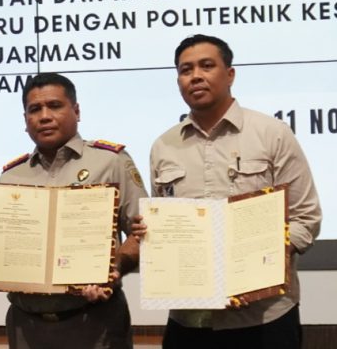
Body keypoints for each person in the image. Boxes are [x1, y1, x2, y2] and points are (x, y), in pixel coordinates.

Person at [132, 34, 321, 349]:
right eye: (185, 69)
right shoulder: (163, 146)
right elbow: (165, 219)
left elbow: (307, 218)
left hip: (264, 318)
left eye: (207, 66)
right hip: (189, 319)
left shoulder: (271, 134)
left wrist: (259, 264)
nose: (195, 76)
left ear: (230, 74)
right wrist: (150, 232)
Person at [0, 73, 148, 349]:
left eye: (55, 106)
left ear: (76, 111)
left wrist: (115, 269)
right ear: (25, 120)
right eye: (34, 109)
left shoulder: (111, 162)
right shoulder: (10, 178)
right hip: (26, 326)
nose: (44, 116)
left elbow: (143, 233)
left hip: (95, 323)